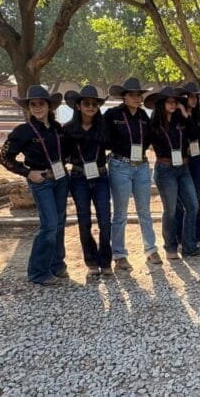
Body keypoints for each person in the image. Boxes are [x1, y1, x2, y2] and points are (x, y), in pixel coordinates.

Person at [0, 85, 68, 285]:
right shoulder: (23, 131)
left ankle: (57, 264)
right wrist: (28, 172)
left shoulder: (57, 129)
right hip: (41, 182)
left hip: (61, 179)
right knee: (49, 225)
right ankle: (38, 272)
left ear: (48, 106)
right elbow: (4, 158)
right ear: (29, 107)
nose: (37, 107)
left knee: (60, 223)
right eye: (33, 104)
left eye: (41, 103)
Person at [104, 77, 160, 270]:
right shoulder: (112, 114)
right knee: (120, 213)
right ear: (124, 97)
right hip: (120, 165)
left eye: (139, 95)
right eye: (132, 95)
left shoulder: (143, 116)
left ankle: (151, 249)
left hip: (142, 166)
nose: (137, 98)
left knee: (144, 211)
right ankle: (119, 254)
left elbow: (150, 137)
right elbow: (104, 137)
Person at [146, 86, 200, 259]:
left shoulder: (181, 120)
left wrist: (186, 115)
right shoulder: (154, 124)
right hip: (165, 169)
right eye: (169, 102)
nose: (173, 104)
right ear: (161, 104)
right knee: (170, 210)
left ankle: (189, 246)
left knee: (192, 206)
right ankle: (170, 247)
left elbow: (196, 136)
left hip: (184, 168)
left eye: (175, 101)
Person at [63, 85, 112, 276]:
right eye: (87, 103)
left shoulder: (103, 127)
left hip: (101, 176)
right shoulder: (68, 129)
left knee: (105, 219)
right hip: (78, 178)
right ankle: (91, 261)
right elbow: (63, 153)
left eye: (94, 104)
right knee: (84, 220)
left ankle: (105, 260)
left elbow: (114, 146)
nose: (91, 107)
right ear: (78, 106)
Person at [175, 81, 200, 249]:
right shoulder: (175, 116)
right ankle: (179, 235)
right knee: (179, 199)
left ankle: (196, 234)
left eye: (196, 97)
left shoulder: (199, 117)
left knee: (194, 197)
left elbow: (198, 136)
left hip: (196, 159)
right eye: (191, 96)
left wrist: (187, 117)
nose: (194, 100)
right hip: (180, 159)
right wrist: (182, 113)